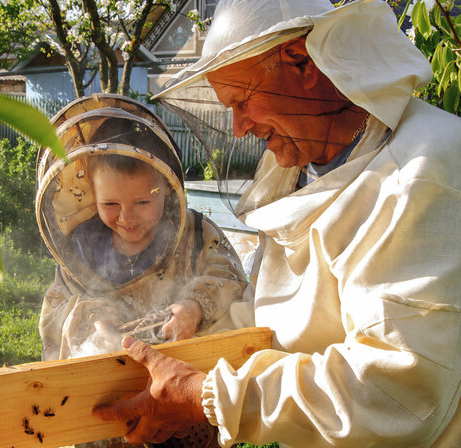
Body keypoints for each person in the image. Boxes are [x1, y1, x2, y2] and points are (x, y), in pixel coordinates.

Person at [92, 1, 461, 447]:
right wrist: (181, 341)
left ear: (304, 62)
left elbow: (394, 391)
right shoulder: (297, 168)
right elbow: (271, 315)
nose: (240, 127)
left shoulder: (422, 170)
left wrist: (205, 395)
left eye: (243, 101)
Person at [35, 94, 247, 447]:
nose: (127, 217)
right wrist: (88, 317)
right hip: (109, 408)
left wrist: (194, 306)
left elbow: (231, 278)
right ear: (91, 195)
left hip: (184, 403)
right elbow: (54, 313)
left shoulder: (196, 234)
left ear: (167, 188)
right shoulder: (81, 251)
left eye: (143, 202)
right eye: (110, 204)